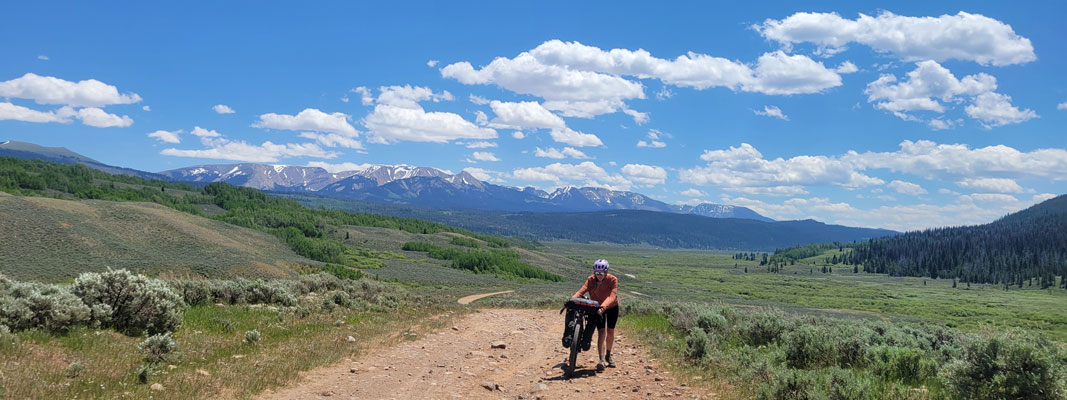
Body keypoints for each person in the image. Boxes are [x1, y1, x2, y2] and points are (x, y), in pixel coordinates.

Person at [571, 258, 619, 371]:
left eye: (602, 273)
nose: (599, 275)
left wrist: (604, 306)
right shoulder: (591, 280)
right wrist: (571, 300)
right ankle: (601, 359)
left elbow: (612, 296)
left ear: (606, 272)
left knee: (610, 331)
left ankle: (608, 355)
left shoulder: (613, 280)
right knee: (601, 331)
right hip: (597, 307)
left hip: (611, 307)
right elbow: (581, 291)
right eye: (597, 273)